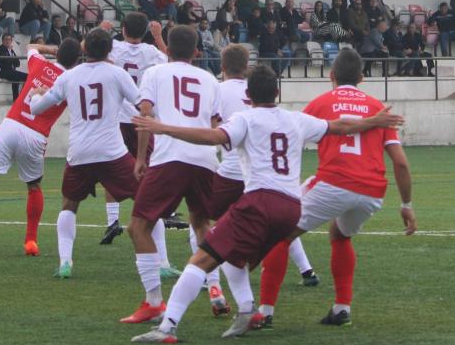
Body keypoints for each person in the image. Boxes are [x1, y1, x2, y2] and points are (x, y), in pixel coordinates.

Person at [129, 65, 403, 343]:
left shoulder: (245, 119)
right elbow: (341, 126)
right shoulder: (296, 119)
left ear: (248, 96)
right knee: (233, 258)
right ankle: (248, 311)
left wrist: (162, 128)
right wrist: (374, 121)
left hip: (260, 201)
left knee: (201, 258)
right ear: (278, 92)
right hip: (291, 207)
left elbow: (213, 137)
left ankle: (167, 328)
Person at [258, 49, 415, 328]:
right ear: (362, 78)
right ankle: (342, 308)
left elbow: (291, 137)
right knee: (339, 235)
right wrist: (406, 206)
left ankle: (265, 312)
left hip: (333, 183)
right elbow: (401, 164)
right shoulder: (378, 107)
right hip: (371, 192)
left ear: (331, 75)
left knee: (279, 234)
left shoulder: (320, 103)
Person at [197, 46, 319, 323]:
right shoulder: (283, 113)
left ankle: (211, 281)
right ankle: (306, 269)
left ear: (223, 66)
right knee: (279, 228)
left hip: (232, 171)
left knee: (203, 220)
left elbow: (213, 126)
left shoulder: (218, 89)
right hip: (270, 179)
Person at [121, 25, 226, 325]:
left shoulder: (155, 73)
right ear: (196, 51)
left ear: (167, 45)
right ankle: (215, 288)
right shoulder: (209, 79)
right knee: (202, 224)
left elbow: (145, 115)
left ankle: (154, 302)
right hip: (205, 159)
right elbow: (217, 123)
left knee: (138, 226)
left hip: (170, 156)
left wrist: (141, 158)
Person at [28, 28, 142, 279]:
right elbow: (142, 103)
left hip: (79, 152)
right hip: (112, 151)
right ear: (109, 50)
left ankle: (66, 262)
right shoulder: (117, 74)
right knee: (145, 198)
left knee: (69, 205)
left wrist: (34, 96)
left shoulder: (69, 76)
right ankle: (161, 263)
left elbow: (38, 108)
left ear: (84, 50)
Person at [0, 40, 82, 254]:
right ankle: (30, 241)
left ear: (58, 54)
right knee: (34, 187)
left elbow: (30, 47)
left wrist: (50, 49)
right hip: (36, 135)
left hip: (12, 124)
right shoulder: (72, 81)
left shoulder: (39, 64)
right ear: (76, 61)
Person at [97, 16, 173, 273]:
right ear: (146, 32)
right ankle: (153, 216)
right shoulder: (151, 52)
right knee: (147, 173)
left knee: (112, 170)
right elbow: (173, 62)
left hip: (117, 117)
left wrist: (102, 31)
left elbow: (94, 53)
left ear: (124, 29)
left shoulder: (114, 47)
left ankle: (112, 220)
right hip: (142, 117)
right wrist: (160, 36)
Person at [0, 33, 28, 100]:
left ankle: (17, 99)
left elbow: (17, 63)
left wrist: (11, 58)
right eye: (6, 39)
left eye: (9, 39)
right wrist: (12, 59)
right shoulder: (0, 49)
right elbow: (6, 61)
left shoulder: (11, 50)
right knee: (27, 77)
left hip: (10, 71)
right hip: (1, 71)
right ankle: (21, 98)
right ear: (3, 41)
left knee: (17, 78)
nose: (8, 41)